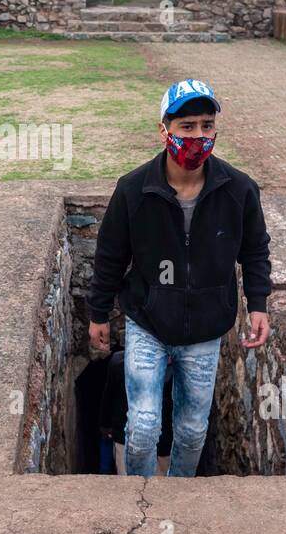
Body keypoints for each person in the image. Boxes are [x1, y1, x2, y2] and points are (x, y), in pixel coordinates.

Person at [88, 79, 272, 478]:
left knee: (190, 432)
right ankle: (138, 497)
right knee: (142, 428)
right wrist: (98, 313)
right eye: (187, 126)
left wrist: (258, 304)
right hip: (148, 323)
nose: (198, 136)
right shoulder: (134, 190)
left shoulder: (238, 190)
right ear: (164, 130)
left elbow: (255, 250)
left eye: (207, 126)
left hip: (205, 327)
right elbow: (110, 256)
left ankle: (179, 499)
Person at [99, 347, 173, 476]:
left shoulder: (120, 361)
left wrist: (106, 427)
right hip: (163, 444)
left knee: (129, 486)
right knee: (163, 488)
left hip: (128, 439)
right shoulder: (180, 367)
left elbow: (109, 397)